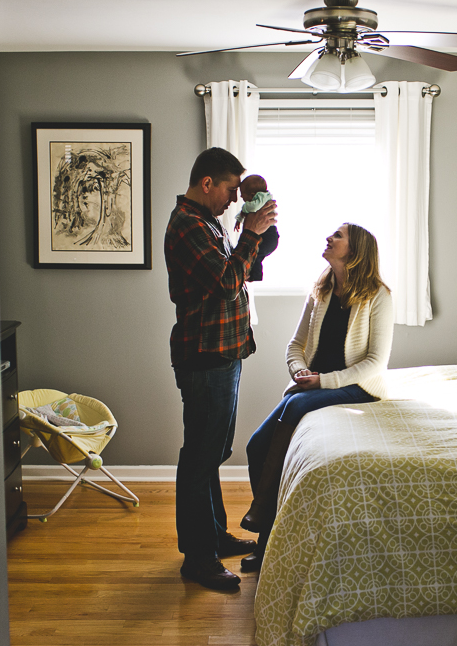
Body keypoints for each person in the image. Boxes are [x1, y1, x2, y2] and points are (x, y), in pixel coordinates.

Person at [238, 223, 394, 572]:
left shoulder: (378, 295)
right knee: (254, 447)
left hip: (356, 388)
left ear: (355, 251)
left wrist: (323, 381)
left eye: (338, 236)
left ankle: (264, 540)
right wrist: (299, 373)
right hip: (315, 383)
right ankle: (269, 527)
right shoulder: (321, 290)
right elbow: (295, 347)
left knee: (293, 404)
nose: (329, 238)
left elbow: (375, 363)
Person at [164, 147, 277, 590]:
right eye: (230, 189)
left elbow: (241, 271)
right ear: (207, 183)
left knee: (210, 451)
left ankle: (212, 535)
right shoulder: (188, 225)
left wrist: (260, 229)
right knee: (199, 456)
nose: (233, 198)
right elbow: (229, 283)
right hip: (205, 357)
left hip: (221, 354)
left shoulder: (208, 223)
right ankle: (198, 558)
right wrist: (248, 232)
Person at [233, 174, 280, 282]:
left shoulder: (261, 198)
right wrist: (239, 220)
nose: (241, 198)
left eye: (242, 195)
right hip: (267, 234)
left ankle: (255, 276)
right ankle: (252, 273)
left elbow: (252, 207)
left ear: (252, 194)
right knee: (255, 254)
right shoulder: (260, 199)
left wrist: (244, 209)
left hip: (269, 235)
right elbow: (245, 212)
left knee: (256, 254)